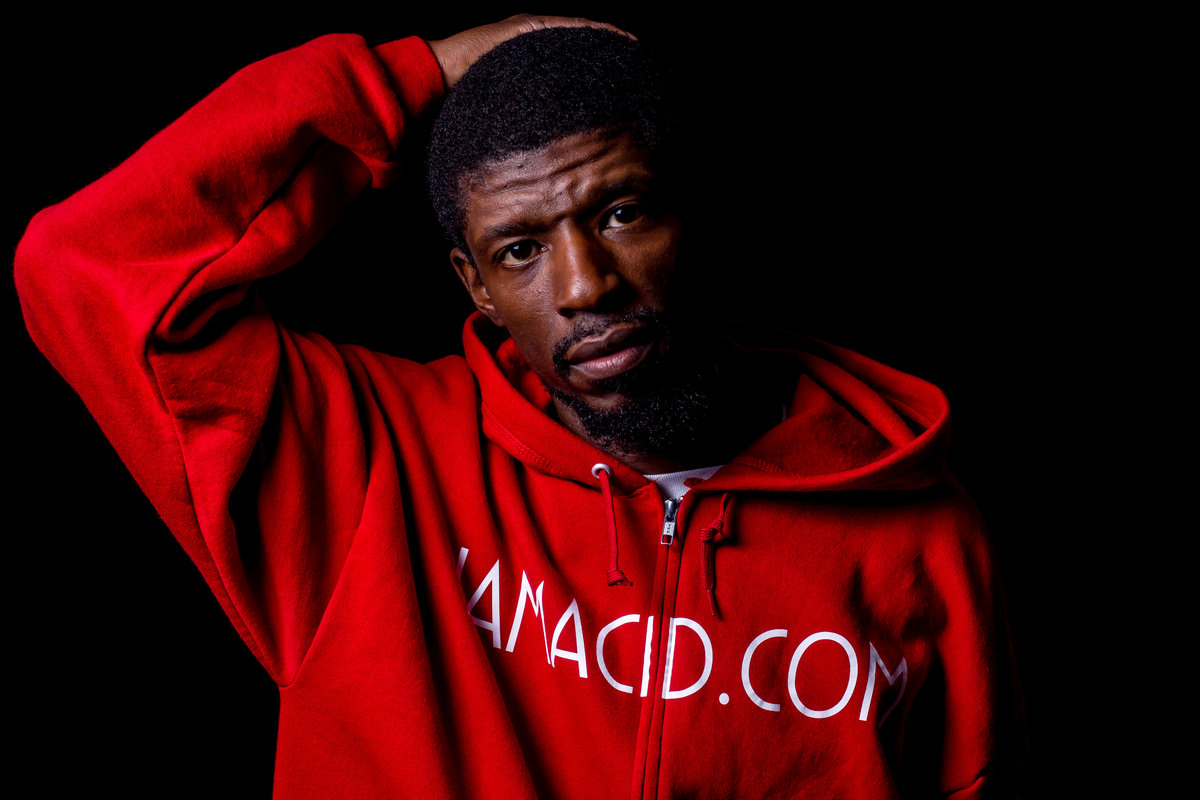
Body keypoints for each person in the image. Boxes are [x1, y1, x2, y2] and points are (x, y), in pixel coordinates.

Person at [14, 13, 1024, 799]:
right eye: (521, 249)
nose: (585, 286)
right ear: (476, 285)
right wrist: (412, 75)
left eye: (621, 212)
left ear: (695, 211)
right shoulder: (368, 464)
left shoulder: (916, 527)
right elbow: (86, 262)